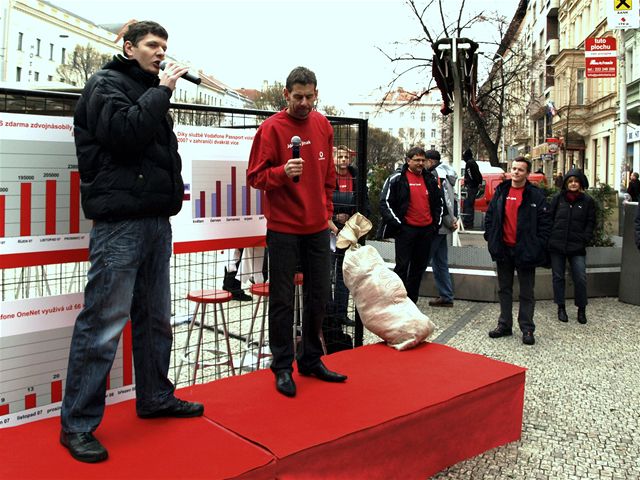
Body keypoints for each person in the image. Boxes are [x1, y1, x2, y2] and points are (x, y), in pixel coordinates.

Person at [60, 21, 204, 463]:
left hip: (156, 221)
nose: (161, 52)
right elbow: (124, 135)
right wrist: (161, 90)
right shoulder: (104, 84)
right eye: (152, 45)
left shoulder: (148, 90)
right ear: (128, 47)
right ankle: (78, 425)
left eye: (165, 46)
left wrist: (157, 92)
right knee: (103, 324)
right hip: (120, 224)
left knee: (155, 317)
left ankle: (156, 396)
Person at [247, 66, 347, 398]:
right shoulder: (271, 128)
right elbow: (255, 177)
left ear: (316, 94)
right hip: (284, 228)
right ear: (286, 94)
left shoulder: (322, 124)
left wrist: (327, 209)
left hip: (317, 227)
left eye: (309, 97)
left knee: (319, 295)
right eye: (298, 97)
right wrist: (280, 172)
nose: (304, 103)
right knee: (282, 300)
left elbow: (329, 174)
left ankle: (311, 359)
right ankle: (282, 366)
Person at [484, 156, 551, 346]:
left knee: (527, 292)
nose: (515, 172)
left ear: (527, 173)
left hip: (526, 251)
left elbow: (546, 223)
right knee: (504, 289)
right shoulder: (501, 191)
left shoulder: (535, 195)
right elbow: (490, 217)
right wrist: (490, 237)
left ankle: (527, 328)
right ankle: (504, 324)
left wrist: (538, 244)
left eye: (520, 170)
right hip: (503, 249)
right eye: (513, 168)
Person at [378, 146, 444, 304]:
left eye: (423, 160)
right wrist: (399, 225)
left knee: (418, 269)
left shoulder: (430, 179)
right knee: (402, 267)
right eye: (417, 160)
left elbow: (439, 203)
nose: (421, 163)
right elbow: (384, 203)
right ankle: (397, 301)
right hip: (405, 230)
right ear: (408, 161)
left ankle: (411, 302)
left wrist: (435, 225)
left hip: (426, 231)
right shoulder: (397, 178)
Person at [327, 145, 370, 330]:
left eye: (346, 157)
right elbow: (322, 201)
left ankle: (341, 313)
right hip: (330, 230)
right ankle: (328, 314)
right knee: (327, 272)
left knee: (344, 273)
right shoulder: (327, 177)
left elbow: (363, 202)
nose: (344, 160)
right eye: (340, 157)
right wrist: (335, 217)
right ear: (334, 158)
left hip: (351, 231)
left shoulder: (356, 177)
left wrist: (355, 221)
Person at [548, 169, 596, 324]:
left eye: (576, 181)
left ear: (580, 183)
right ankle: (561, 307)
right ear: (566, 184)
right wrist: (549, 237)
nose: (573, 184)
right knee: (558, 277)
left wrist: (585, 238)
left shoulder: (587, 201)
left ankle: (581, 309)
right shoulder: (558, 199)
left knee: (580, 277)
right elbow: (549, 218)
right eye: (570, 181)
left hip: (577, 246)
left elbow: (591, 222)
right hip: (557, 244)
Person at [425, 150, 458, 307]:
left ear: (430, 161)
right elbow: (453, 199)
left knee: (422, 260)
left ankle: (407, 295)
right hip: (445, 224)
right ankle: (446, 295)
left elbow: (441, 201)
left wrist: (447, 220)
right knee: (440, 262)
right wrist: (453, 219)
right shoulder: (448, 174)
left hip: (437, 225)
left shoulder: (435, 175)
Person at [462, 148, 482, 230]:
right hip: (473, 186)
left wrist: (468, 182)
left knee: (468, 205)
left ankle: (468, 223)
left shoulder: (469, 163)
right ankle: (468, 223)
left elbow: (470, 175)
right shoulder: (473, 162)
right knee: (469, 205)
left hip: (471, 187)